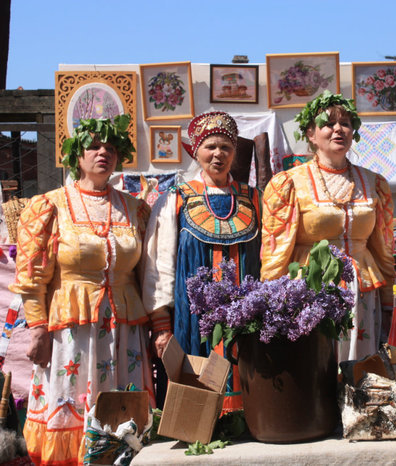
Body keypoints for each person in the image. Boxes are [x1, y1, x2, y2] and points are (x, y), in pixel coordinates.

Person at [10, 115, 170, 464]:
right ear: (75, 156)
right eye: (94, 147)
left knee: (124, 406)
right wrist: (36, 328)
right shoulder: (50, 206)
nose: (103, 153)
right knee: (72, 403)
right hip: (72, 330)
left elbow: (150, 274)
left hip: (124, 330)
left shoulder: (136, 209)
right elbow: (31, 274)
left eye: (111, 148)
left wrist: (159, 326)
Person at [261, 91, 395, 361]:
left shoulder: (375, 183)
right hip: (308, 290)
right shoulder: (288, 183)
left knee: (360, 369)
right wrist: (269, 301)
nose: (338, 129)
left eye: (345, 123)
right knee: (314, 365)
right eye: (328, 123)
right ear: (311, 134)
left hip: (362, 292)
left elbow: (383, 246)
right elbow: (275, 248)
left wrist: (390, 300)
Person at [142, 111, 261, 411]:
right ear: (196, 151)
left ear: (234, 153)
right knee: (195, 399)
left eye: (226, 147)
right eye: (211, 147)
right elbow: (160, 265)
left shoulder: (254, 199)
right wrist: (161, 324)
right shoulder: (176, 199)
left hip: (246, 316)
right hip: (192, 318)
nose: (218, 154)